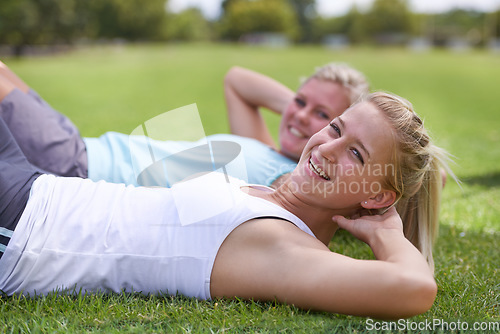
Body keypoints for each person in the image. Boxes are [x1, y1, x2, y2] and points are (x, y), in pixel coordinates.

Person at [0, 91, 452, 319]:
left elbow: (411, 287)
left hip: (24, 228)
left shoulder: (283, 248)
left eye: (357, 154)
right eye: (335, 128)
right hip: (38, 186)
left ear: (375, 195)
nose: (327, 147)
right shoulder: (269, 194)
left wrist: (387, 231)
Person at [0, 61, 369, 188]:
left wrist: (326, 130)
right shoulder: (262, 144)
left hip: (79, 167)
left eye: (323, 116)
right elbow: (236, 80)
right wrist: (304, 114)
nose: (301, 115)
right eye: (299, 101)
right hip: (81, 143)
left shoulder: (290, 181)